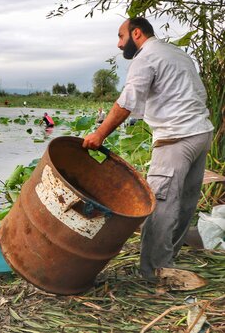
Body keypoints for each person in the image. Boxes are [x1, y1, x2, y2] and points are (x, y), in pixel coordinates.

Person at [82, 17, 213, 281]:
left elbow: (126, 102)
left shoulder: (145, 58)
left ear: (137, 33)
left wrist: (99, 134)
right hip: (201, 133)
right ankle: (168, 259)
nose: (120, 45)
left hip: (175, 139)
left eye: (121, 37)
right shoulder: (177, 53)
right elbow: (200, 94)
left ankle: (154, 271)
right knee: (185, 203)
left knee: (161, 204)